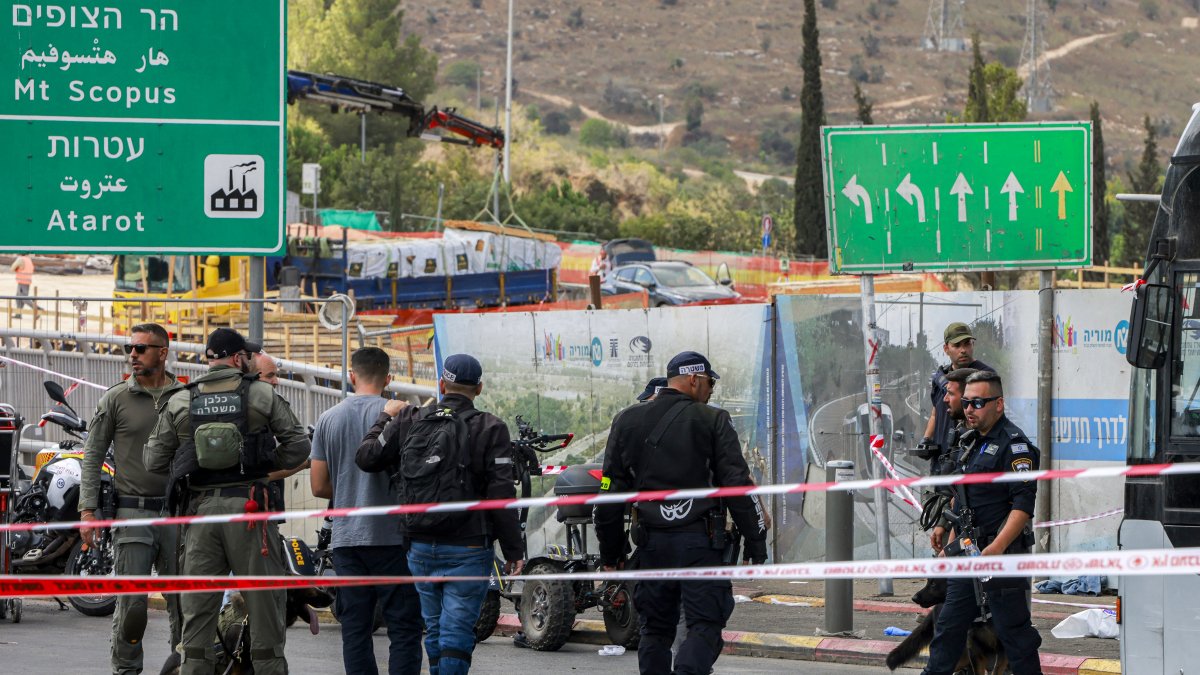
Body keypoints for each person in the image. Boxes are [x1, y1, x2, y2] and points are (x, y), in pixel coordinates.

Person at [144, 327, 310, 675]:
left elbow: (154, 461)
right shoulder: (261, 395)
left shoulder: (182, 399)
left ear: (209, 359)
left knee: (197, 624)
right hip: (250, 514)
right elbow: (299, 446)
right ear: (238, 359)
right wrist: (262, 466)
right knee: (265, 613)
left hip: (201, 516)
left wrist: (193, 461)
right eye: (246, 356)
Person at [595, 351, 768, 675]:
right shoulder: (713, 420)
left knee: (655, 631)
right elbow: (736, 487)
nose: (712, 389)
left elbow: (608, 493)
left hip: (652, 546)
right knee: (705, 625)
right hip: (700, 545)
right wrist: (756, 541)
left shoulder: (626, 421)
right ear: (693, 379)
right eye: (709, 382)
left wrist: (612, 552)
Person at [356, 353, 524, 675]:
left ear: (442, 384)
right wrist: (513, 549)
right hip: (469, 547)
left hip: (418, 545)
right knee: (456, 632)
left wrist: (383, 418)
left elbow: (366, 457)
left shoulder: (409, 419)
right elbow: (501, 495)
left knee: (435, 630)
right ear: (480, 388)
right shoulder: (491, 427)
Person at [79, 323, 186, 675]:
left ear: (162, 352)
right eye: (131, 348)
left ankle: (183, 667)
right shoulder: (116, 398)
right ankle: (126, 670)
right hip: (132, 513)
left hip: (177, 515)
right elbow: (92, 455)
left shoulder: (184, 396)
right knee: (133, 606)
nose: (133, 355)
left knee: (183, 605)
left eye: (141, 349)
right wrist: (88, 511)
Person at [310, 347, 423, 675]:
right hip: (394, 539)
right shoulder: (404, 414)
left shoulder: (328, 418)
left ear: (351, 376)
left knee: (355, 629)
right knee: (404, 626)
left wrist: (348, 488)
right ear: (388, 379)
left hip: (347, 540)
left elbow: (318, 486)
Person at [923, 371, 1042, 675]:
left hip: (1000, 556)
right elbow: (962, 499)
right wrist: (949, 542)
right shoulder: (970, 442)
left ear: (998, 404)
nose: (970, 410)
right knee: (948, 628)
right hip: (968, 555)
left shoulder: (1015, 447)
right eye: (966, 402)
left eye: (977, 403)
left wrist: (996, 548)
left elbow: (1023, 507)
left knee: (1014, 634)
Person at [919, 322, 995, 466]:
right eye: (957, 345)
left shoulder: (985, 376)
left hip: (968, 460)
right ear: (946, 349)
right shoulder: (940, 378)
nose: (963, 350)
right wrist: (926, 440)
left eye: (967, 344)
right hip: (940, 461)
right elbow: (935, 414)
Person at [10, 252, 38, 317]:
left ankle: (37, 309)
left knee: (23, 298)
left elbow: (12, 268)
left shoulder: (20, 259)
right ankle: (18, 314)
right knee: (18, 298)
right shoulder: (28, 259)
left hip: (22, 281)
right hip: (27, 281)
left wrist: (17, 269)